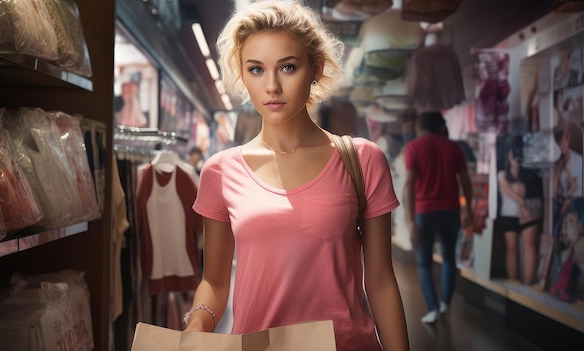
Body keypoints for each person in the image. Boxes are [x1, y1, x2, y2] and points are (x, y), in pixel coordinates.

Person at [183, 2, 409, 350]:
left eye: (287, 67)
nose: (271, 86)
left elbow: (380, 282)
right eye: (256, 69)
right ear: (243, 75)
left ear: (315, 68)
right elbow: (214, 280)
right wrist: (199, 318)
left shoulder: (362, 161)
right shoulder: (220, 171)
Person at [403, 111, 473, 324]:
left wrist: (409, 219)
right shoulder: (453, 147)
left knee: (424, 262)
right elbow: (465, 181)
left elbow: (409, 186)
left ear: (420, 127)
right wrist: (468, 208)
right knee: (449, 257)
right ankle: (445, 304)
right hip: (451, 210)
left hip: (425, 212)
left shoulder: (414, 148)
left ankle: (432, 309)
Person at [496, 137, 542, 286]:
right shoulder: (502, 174)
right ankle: (513, 283)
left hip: (527, 215)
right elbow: (506, 189)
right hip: (510, 215)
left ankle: (529, 282)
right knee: (512, 248)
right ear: (508, 154)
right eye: (514, 154)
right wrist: (523, 203)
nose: (517, 158)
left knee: (529, 245)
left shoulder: (530, 175)